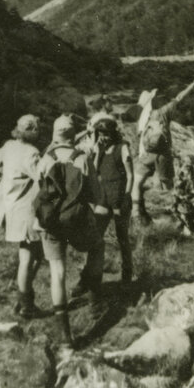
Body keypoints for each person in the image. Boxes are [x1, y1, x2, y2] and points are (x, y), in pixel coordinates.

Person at [0, 114, 44, 319]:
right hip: (25, 213)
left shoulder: (9, 146)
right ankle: (25, 304)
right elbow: (42, 177)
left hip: (10, 210)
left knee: (33, 255)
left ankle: (23, 299)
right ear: (32, 131)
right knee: (29, 257)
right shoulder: (32, 153)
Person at [37, 114, 89, 347]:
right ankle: (96, 299)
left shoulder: (46, 158)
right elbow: (94, 192)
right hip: (76, 220)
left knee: (57, 272)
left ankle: (64, 334)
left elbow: (39, 190)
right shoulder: (82, 158)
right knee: (97, 247)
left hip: (51, 222)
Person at [75, 113, 134, 298]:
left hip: (119, 197)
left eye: (106, 133)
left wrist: (127, 197)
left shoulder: (122, 147)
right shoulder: (98, 149)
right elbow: (93, 170)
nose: (103, 137)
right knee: (95, 238)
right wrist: (98, 152)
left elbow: (131, 175)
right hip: (103, 196)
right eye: (100, 133)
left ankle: (127, 275)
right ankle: (88, 278)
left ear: (113, 133)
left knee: (122, 237)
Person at [131, 74, 194, 224]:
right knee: (169, 186)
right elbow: (180, 97)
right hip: (163, 154)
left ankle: (136, 213)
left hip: (148, 152)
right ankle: (177, 216)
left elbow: (139, 133)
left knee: (137, 182)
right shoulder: (166, 111)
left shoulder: (146, 114)